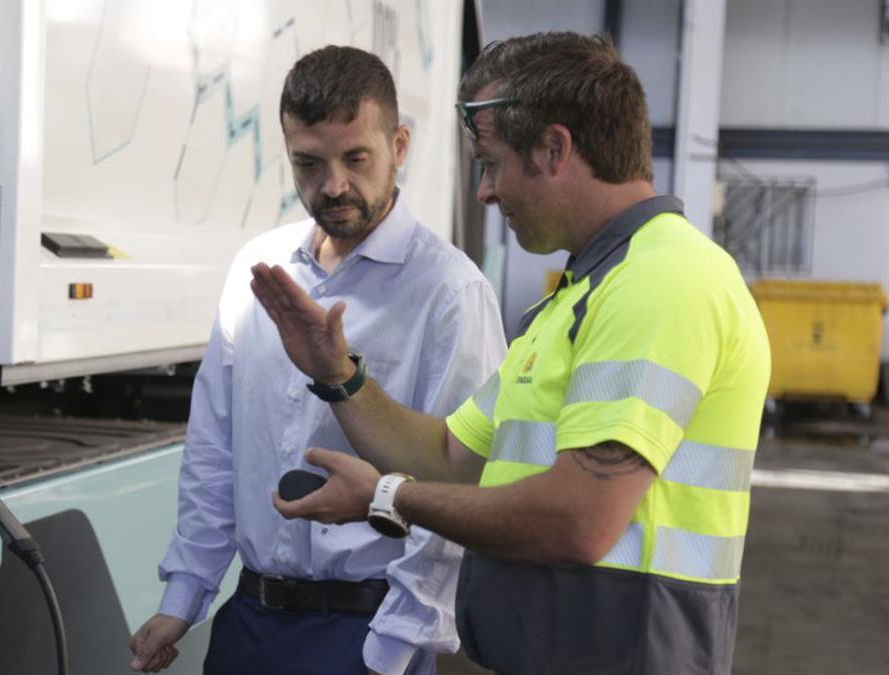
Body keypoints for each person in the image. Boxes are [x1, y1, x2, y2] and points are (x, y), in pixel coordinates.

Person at [253, 32, 771, 675]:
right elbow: (450, 458)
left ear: (554, 148)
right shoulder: (582, 294)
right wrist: (338, 375)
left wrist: (389, 498)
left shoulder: (661, 281)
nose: (485, 193)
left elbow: (578, 520)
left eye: (491, 164)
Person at [128, 46, 506, 675]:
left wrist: (392, 648)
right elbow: (214, 450)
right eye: (309, 162)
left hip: (367, 627)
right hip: (250, 620)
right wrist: (184, 596)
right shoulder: (260, 272)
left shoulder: (448, 291)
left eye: (356, 158)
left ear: (400, 146)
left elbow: (461, 486)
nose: (332, 185)